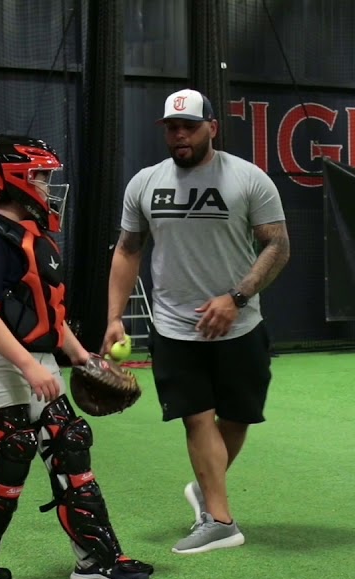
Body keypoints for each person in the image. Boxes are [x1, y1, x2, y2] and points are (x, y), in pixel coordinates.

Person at [0, 134, 153, 579]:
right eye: (39, 174)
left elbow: (50, 317)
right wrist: (27, 364)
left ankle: (97, 560)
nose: (46, 184)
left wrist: (81, 356)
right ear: (12, 178)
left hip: (38, 360)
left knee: (70, 444)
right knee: (7, 454)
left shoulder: (37, 240)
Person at [103, 89, 291, 555]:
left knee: (238, 417)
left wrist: (237, 297)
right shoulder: (145, 183)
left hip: (240, 324)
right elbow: (128, 250)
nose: (180, 134)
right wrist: (113, 318)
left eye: (189, 126)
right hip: (173, 326)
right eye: (172, 127)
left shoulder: (249, 179)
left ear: (212, 127)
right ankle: (221, 520)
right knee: (196, 418)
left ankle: (207, 490)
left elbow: (278, 246)